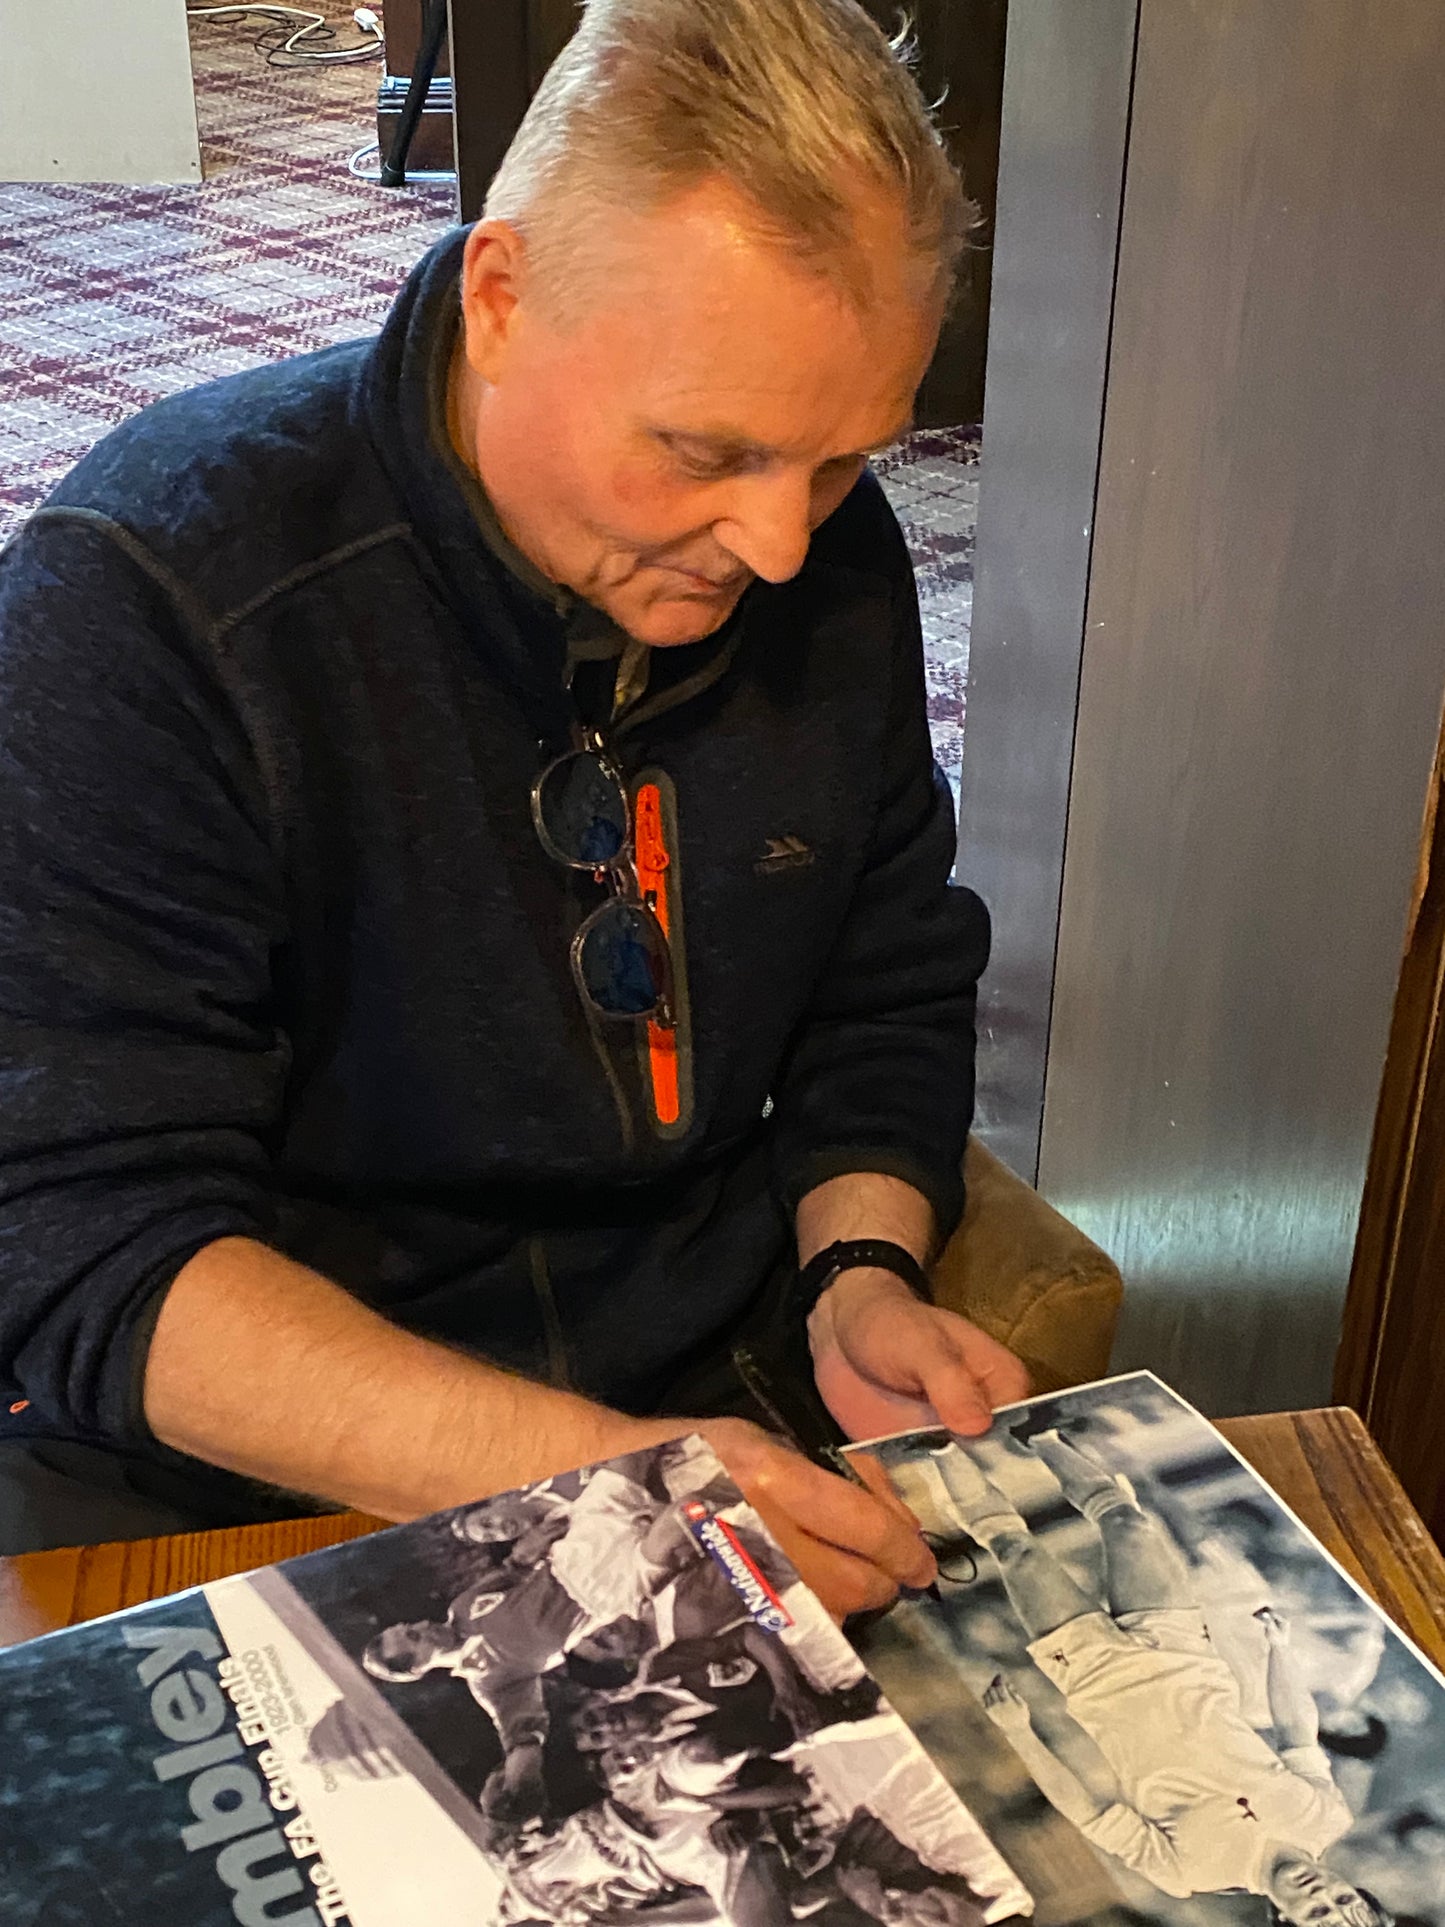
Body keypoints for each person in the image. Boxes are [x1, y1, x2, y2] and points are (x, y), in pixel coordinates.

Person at [0, 0, 1029, 1602]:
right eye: (706, 447)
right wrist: (617, 1480)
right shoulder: (150, 595)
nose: (775, 543)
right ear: (499, 293)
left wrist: (859, 1264)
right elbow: (85, 1244)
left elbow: (883, 979)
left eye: (838, 461)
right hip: (257, 1466)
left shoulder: (827, 554)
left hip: (702, 1392)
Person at [931, 1427, 1390, 1922]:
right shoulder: (1327, 1816)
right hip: (1186, 1654)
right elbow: (1297, 1729)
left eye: (1317, 1914)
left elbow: (1086, 1811)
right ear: (1353, 1887)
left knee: (1014, 1549)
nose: (1320, 1893)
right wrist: (1277, 1648)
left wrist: (1018, 1731)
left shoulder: (1189, 1875)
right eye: (1343, 1899)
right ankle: (1040, 1436)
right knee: (1127, 1521)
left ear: (1285, 1921)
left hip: (1096, 1679)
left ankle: (937, 1447)